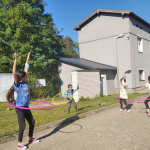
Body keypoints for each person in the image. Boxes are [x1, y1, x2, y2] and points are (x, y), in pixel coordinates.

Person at [6, 52, 39, 150]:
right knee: (22, 126)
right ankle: (19, 144)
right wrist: (15, 60)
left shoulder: (25, 82)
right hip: (19, 108)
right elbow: (14, 73)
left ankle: (30, 138)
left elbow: (26, 67)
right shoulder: (18, 84)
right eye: (25, 75)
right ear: (22, 77)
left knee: (32, 122)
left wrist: (28, 58)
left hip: (26, 106)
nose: (27, 76)